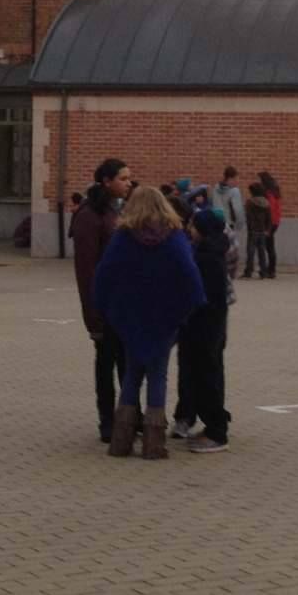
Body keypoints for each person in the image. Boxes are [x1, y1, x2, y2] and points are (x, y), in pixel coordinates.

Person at [93, 186, 205, 460]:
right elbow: (191, 278)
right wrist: (183, 311)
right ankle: (154, 444)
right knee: (158, 375)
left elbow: (103, 275)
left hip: (131, 315)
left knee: (132, 374)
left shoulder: (123, 237)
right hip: (164, 316)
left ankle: (121, 442)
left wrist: (109, 308)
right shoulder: (174, 237)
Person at [71, 157, 133, 444]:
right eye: (122, 178)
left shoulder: (114, 209)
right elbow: (86, 270)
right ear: (106, 181)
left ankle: (130, 416)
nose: (128, 183)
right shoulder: (89, 214)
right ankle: (107, 421)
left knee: (126, 363)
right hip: (103, 306)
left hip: (121, 303)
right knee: (106, 363)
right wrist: (93, 315)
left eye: (129, 178)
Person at [180, 207, 234, 454]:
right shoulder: (215, 250)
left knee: (206, 375)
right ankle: (212, 423)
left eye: (193, 225)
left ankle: (216, 431)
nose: (190, 230)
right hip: (211, 323)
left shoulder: (206, 257)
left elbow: (201, 294)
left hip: (204, 324)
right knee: (207, 372)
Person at [210, 166, 245, 267]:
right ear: (230, 178)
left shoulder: (215, 189)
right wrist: (239, 224)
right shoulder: (234, 191)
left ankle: (218, 265)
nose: (236, 181)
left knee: (218, 246)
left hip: (216, 222)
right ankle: (227, 267)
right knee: (229, 247)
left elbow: (212, 204)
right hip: (229, 223)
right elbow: (238, 209)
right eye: (235, 179)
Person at [242, 182, 274, 279]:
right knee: (262, 252)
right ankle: (263, 272)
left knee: (250, 252)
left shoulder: (250, 203)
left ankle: (249, 271)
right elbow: (269, 218)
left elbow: (248, 217)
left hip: (253, 230)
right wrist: (268, 229)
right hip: (262, 231)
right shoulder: (266, 203)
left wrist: (250, 227)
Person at [259, 171, 283, 278]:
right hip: (275, 222)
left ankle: (270, 270)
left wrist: (268, 227)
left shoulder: (269, 194)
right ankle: (270, 269)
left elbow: (271, 210)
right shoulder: (275, 191)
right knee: (269, 246)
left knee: (268, 246)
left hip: (270, 223)